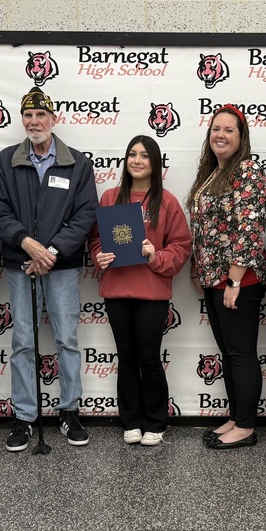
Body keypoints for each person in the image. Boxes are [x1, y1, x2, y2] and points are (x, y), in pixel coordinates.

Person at [0, 87, 98, 451]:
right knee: (22, 341)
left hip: (61, 265)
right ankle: (24, 416)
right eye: (28, 116)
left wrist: (50, 250)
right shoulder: (5, 160)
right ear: (22, 120)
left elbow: (85, 215)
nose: (34, 122)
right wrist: (26, 243)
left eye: (41, 115)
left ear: (54, 119)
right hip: (21, 265)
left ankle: (69, 411)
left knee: (67, 338)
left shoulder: (78, 163)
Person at [90, 135, 191, 447]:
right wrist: (99, 256)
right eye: (132, 154)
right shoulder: (109, 198)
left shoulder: (168, 202)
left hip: (151, 292)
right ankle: (131, 421)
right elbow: (95, 240)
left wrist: (156, 256)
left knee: (148, 357)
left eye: (144, 156)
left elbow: (182, 246)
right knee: (128, 357)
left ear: (154, 162)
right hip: (117, 291)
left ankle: (156, 421)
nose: (137, 160)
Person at [188, 105, 266, 450]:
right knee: (228, 351)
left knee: (241, 352)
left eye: (229, 130)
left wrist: (234, 280)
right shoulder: (212, 172)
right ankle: (237, 417)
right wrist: (199, 268)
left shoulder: (248, 170)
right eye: (215, 129)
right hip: (214, 278)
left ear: (241, 137)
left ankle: (247, 427)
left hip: (240, 279)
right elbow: (204, 229)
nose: (220, 135)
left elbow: (249, 228)